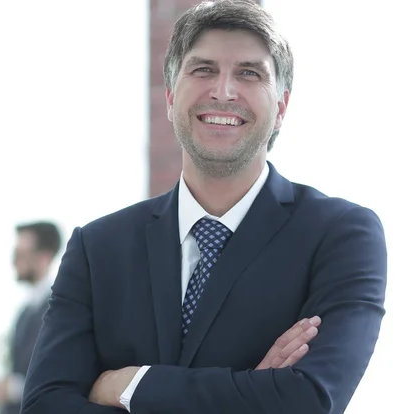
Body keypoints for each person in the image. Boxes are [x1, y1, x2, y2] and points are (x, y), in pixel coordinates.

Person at [21, 1, 387, 413]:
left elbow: (309, 399)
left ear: (281, 107)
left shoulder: (340, 235)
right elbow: (43, 406)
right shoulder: (97, 248)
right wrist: (255, 393)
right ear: (171, 97)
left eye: (249, 73)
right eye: (203, 69)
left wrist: (131, 386)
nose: (223, 91)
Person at [0, 221, 62, 414]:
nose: (14, 262)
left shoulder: (61, 309)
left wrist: (13, 389)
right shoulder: (24, 312)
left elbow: (60, 377)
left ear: (44, 257)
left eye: (21, 254)